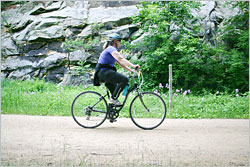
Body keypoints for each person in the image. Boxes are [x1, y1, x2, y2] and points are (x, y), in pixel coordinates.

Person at [93, 33, 140, 105]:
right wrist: (133, 66)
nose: (120, 42)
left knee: (115, 92)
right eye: (119, 40)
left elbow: (120, 63)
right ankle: (113, 99)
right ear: (115, 41)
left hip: (104, 72)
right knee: (124, 79)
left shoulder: (112, 50)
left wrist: (131, 70)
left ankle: (110, 112)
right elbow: (120, 59)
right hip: (104, 72)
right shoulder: (111, 49)